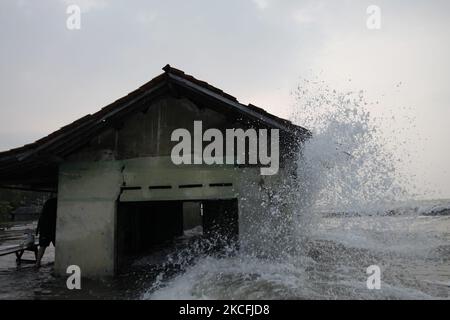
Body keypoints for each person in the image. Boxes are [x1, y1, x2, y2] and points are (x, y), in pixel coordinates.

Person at [35, 197, 57, 268]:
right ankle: (57, 262)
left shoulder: (45, 210)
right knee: (57, 247)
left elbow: (40, 220)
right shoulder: (55, 205)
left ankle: (37, 263)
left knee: (42, 246)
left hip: (45, 230)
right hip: (52, 229)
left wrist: (38, 231)